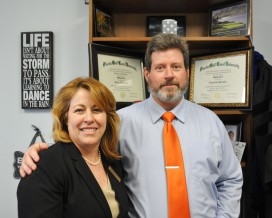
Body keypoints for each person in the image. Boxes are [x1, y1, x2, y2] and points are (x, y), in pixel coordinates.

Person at [20, 34, 243, 217]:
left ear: (187, 72)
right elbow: (82, 144)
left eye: (176, 66)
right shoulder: (120, 121)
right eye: (159, 68)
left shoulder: (211, 122)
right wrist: (40, 152)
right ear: (147, 74)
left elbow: (230, 179)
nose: (168, 75)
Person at [17, 77, 129, 218]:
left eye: (97, 110)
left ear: (107, 117)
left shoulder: (112, 160)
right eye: (79, 110)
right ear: (65, 117)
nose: (89, 118)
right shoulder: (44, 166)